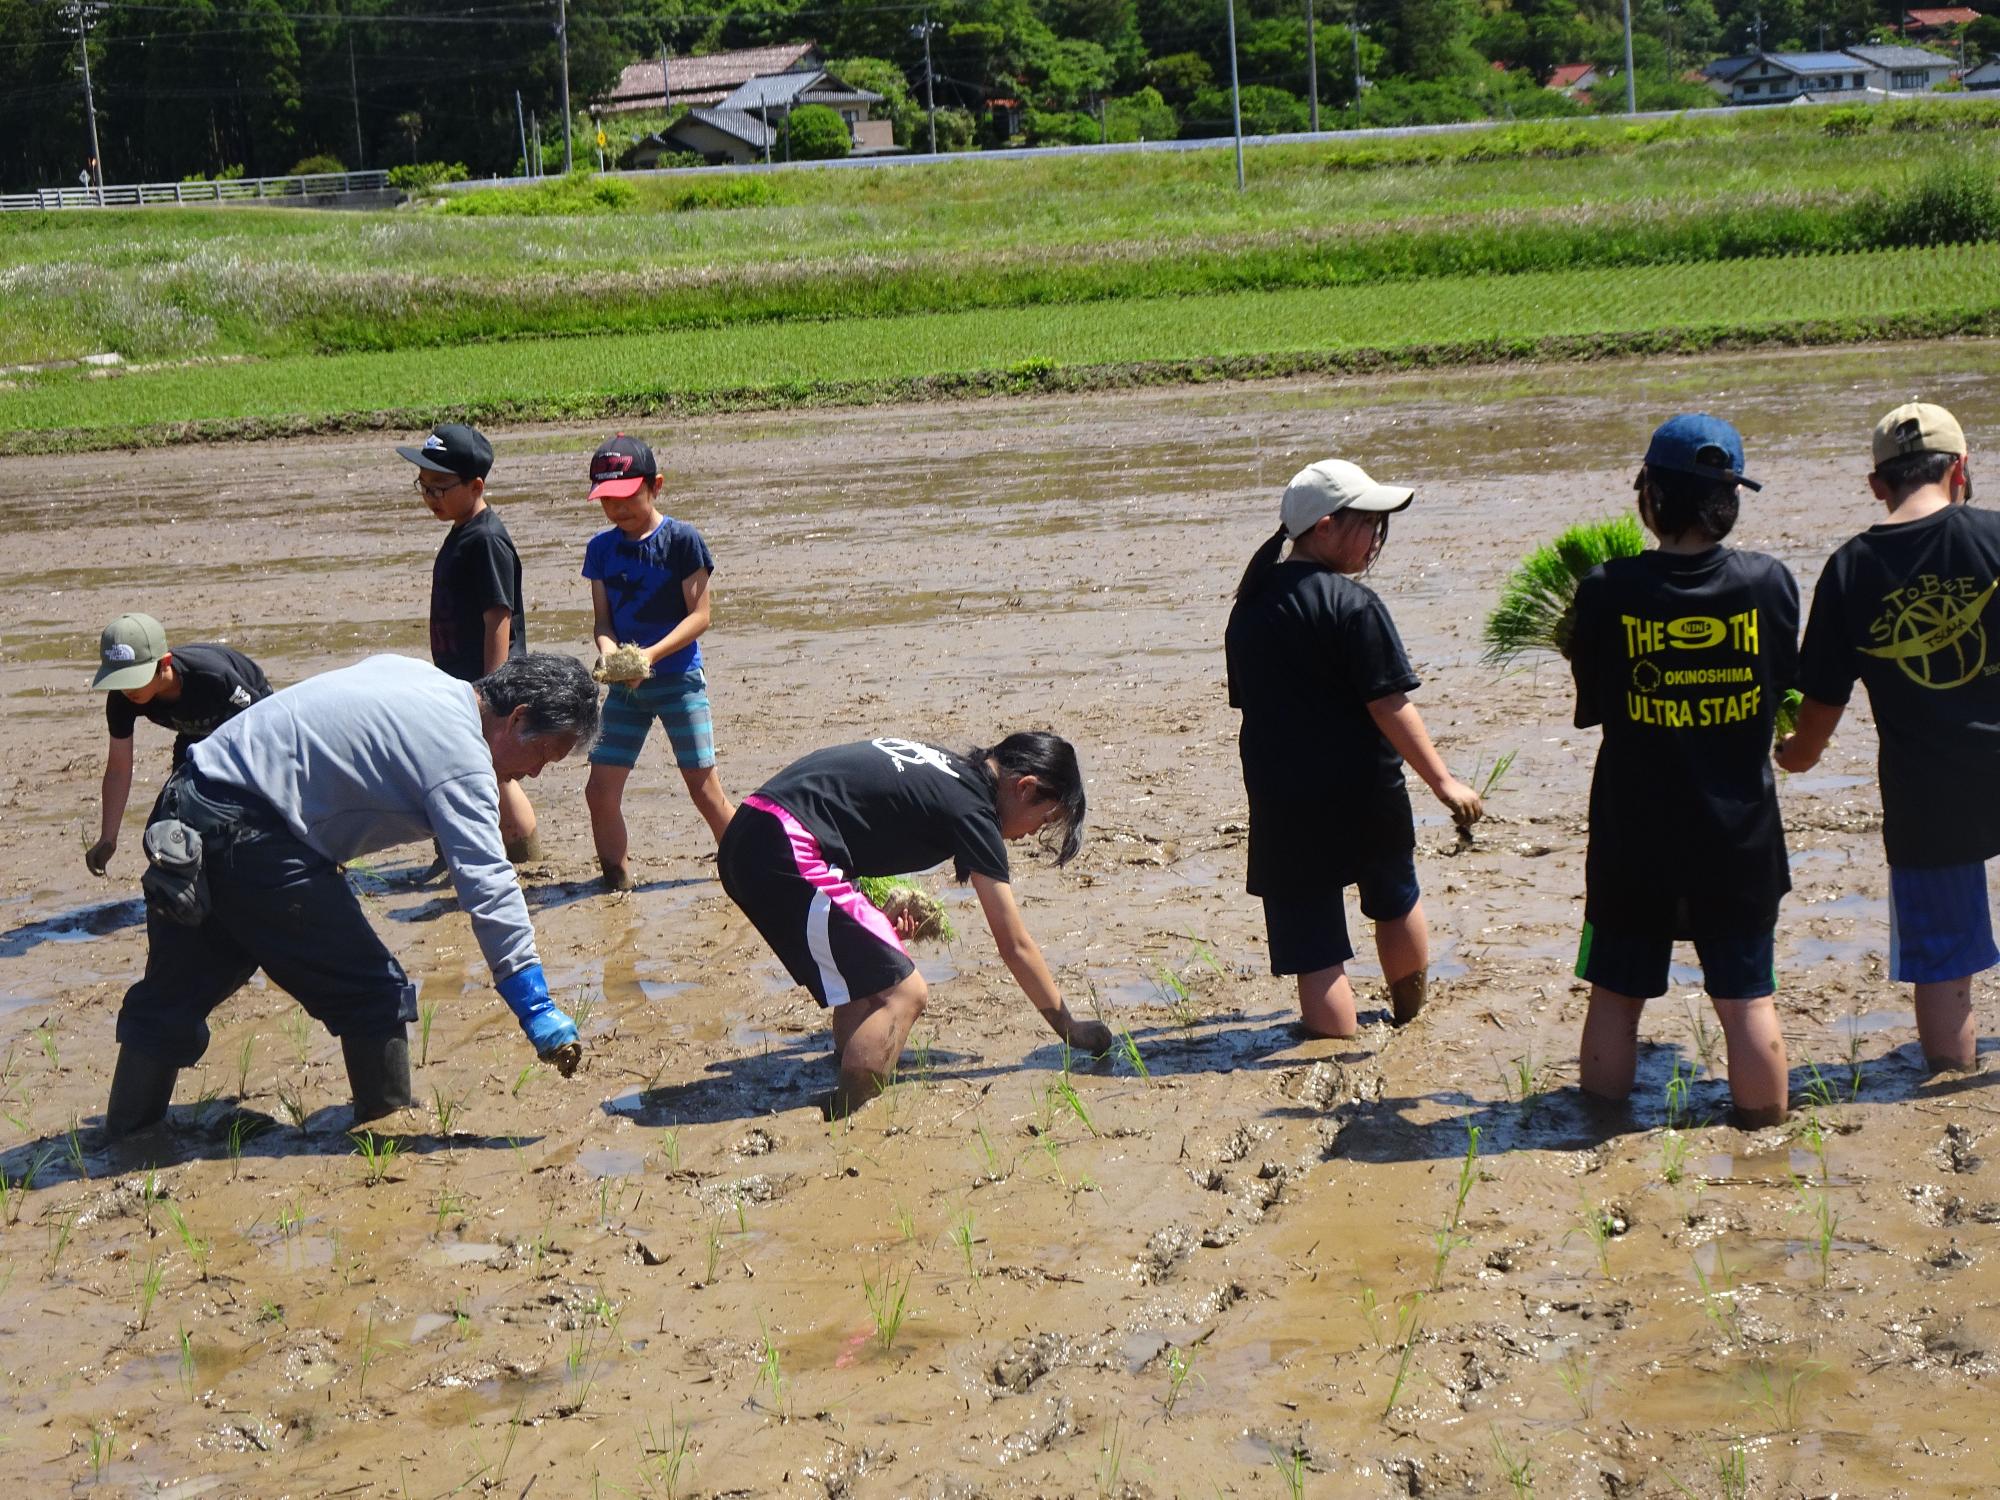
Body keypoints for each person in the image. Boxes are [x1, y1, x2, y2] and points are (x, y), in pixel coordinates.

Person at [101, 653, 598, 1141]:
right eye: (544, 756)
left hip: (190, 799)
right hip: (251, 829)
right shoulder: (461, 757)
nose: (534, 774)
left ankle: (128, 1135)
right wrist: (533, 1003)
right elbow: (489, 885)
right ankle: (387, 1131)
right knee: (372, 993)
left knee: (179, 989)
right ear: (517, 719)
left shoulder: (423, 678)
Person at [1569, 415, 1798, 1127]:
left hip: (1634, 834)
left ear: (1652, 498)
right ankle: (1764, 1139)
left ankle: (1600, 1132)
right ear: (1728, 502)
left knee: (1615, 994)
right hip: (1738, 835)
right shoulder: (1769, 582)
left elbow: (1597, 706)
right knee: (1747, 1001)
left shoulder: (1606, 589)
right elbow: (1784, 691)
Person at [717, 733, 1111, 1113]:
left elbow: (847, 812)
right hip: (783, 844)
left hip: (754, 832)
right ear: (1025, 788)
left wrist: (876, 928)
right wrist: (1068, 1027)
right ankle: (849, 1118)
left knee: (878, 971)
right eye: (1043, 820)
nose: (1029, 835)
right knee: (906, 992)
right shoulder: (974, 809)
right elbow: (1014, 944)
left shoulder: (950, 770)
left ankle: (849, 1071)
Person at [1225, 458, 1483, 1039]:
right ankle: (1409, 1023)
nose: (1377, 538)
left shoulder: (1249, 609)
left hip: (1282, 798)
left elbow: (1255, 707)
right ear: (1325, 527)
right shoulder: (1353, 606)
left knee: (1315, 948)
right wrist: (1444, 781)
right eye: (1369, 524)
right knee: (1394, 901)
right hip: (1365, 792)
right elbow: (1390, 704)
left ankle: (1331, 1048)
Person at [1781, 401, 1996, 1074]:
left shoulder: (1851, 569)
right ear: (1961, 470)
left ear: (1877, 483)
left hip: (1928, 794)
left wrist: (1795, 757)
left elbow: (1819, 706)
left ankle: (1948, 1090)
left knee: (1944, 967)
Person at [580, 434, 734, 888]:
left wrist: (647, 655)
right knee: (599, 790)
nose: (618, 509)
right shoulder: (600, 550)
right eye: (607, 500)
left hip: (678, 679)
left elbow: (700, 617)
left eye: (628, 496)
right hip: (626, 690)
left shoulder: (683, 540)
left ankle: (747, 866)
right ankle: (616, 879)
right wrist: (612, 657)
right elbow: (602, 624)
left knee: (704, 789)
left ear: (656, 486)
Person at [398, 422, 540, 863]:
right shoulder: (463, 532)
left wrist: (490, 691)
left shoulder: (487, 540)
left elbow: (498, 617)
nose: (430, 498)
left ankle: (519, 856)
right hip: (463, 680)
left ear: (476, 485)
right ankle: (516, 855)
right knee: (489, 774)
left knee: (488, 773)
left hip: (485, 682)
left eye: (441, 488)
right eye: (424, 487)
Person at [86, 613, 271, 877]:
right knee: (171, 819)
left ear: (164, 664)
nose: (127, 690)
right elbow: (118, 768)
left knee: (250, 811)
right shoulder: (122, 700)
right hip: (194, 734)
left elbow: (266, 728)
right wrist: (108, 838)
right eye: (119, 680)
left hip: (247, 724)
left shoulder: (212, 675)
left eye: (134, 678)